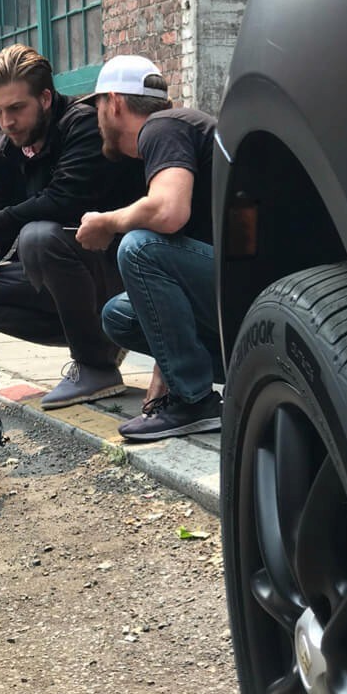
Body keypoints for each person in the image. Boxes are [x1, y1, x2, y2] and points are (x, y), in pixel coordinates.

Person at [0, 44, 144, 409]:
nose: (6, 122)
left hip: (121, 274)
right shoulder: (8, 151)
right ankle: (96, 342)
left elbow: (64, 201)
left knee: (38, 236)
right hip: (69, 280)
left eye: (16, 108)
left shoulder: (84, 126)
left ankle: (95, 366)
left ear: (45, 98)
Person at [76, 55, 224, 441]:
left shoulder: (162, 127)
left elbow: (168, 212)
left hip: (253, 288)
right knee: (119, 315)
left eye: (97, 109)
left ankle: (194, 403)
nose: (97, 120)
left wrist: (106, 222)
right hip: (244, 289)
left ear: (114, 103)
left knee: (138, 248)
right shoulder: (180, 128)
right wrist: (167, 365)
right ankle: (203, 383)